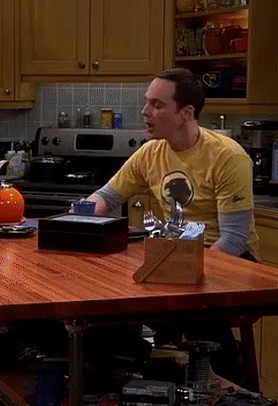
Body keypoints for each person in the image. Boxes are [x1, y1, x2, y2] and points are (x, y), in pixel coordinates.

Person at [85, 68, 259, 385]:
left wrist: (182, 268)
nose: (145, 111)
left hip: (230, 261)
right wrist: (78, 216)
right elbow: (107, 197)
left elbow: (234, 240)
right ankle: (143, 378)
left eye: (157, 105)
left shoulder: (228, 157)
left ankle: (230, 386)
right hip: (174, 257)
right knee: (108, 303)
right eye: (147, 102)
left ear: (185, 114)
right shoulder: (151, 152)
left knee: (191, 312)